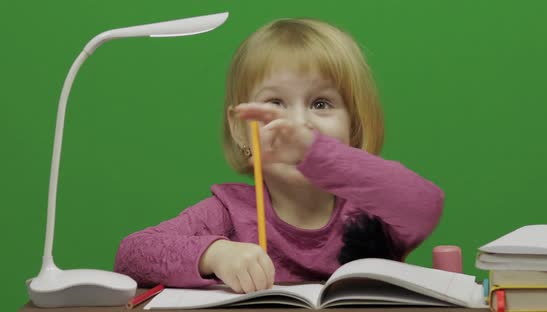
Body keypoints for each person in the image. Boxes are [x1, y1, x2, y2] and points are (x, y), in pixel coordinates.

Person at [114, 18, 444, 294]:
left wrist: (316, 154)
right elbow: (130, 255)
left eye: (321, 104)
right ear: (242, 129)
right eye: (275, 103)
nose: (298, 123)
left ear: (354, 128)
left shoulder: (374, 211)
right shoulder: (228, 212)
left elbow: (425, 205)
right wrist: (215, 253)